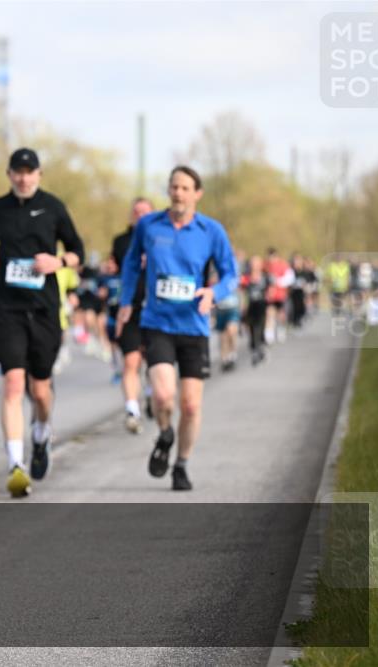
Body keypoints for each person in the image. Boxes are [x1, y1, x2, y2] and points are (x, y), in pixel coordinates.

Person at [0, 148, 84, 497]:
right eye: (18, 171)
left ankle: (41, 432)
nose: (24, 177)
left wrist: (58, 261)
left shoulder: (54, 207)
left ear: (39, 175)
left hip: (45, 310)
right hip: (8, 310)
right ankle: (16, 465)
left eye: (30, 172)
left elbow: (80, 252)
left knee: (41, 391)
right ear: (10, 174)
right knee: (14, 384)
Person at [117, 166, 238, 492]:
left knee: (191, 406)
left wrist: (215, 292)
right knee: (164, 395)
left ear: (197, 193)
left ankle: (181, 464)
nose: (178, 193)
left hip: (194, 327)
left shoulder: (211, 230)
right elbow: (130, 263)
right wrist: (126, 300)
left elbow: (231, 274)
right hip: (157, 323)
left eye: (185, 188)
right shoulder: (149, 225)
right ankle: (165, 433)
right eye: (173, 187)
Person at [111, 197, 154, 432]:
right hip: (130, 308)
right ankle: (131, 410)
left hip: (156, 308)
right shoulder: (121, 242)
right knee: (130, 360)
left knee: (153, 362)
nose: (140, 216)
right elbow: (120, 271)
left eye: (145, 212)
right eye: (136, 212)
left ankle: (150, 395)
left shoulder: (162, 239)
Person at [241, 255, 270, 366]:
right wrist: (243, 306)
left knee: (260, 327)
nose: (255, 265)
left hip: (262, 305)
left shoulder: (265, 276)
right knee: (252, 328)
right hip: (250, 306)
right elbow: (243, 292)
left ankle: (261, 347)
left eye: (257, 262)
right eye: (253, 262)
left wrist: (268, 300)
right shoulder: (246, 277)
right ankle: (254, 350)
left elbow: (270, 290)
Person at [264, 247, 293, 343]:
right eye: (269, 257)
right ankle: (269, 334)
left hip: (281, 295)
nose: (271, 259)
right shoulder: (266, 266)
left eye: (273, 257)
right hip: (270, 296)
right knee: (269, 313)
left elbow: (290, 278)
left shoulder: (283, 265)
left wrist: (278, 282)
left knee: (281, 314)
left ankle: (281, 330)